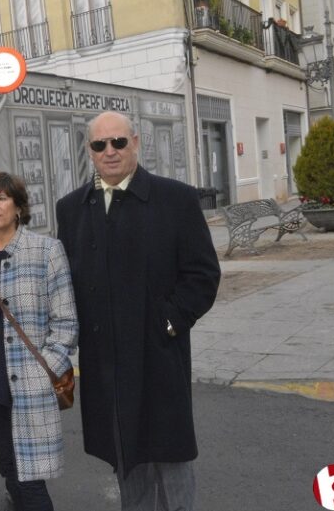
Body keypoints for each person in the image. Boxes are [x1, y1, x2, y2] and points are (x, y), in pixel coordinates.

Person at [55, 111, 221, 511]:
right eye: (99, 145)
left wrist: (168, 322)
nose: (110, 151)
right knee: (126, 453)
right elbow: (67, 281)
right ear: (89, 151)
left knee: (169, 451)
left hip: (157, 352)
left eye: (118, 142)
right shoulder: (71, 208)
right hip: (105, 358)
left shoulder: (176, 198)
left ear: (136, 142)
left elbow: (202, 274)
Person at [0, 172, 78, 511]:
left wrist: (47, 367)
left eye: (2, 198)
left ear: (19, 207)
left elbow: (65, 322)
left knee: (27, 474)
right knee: (6, 462)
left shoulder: (46, 250)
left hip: (25, 383)